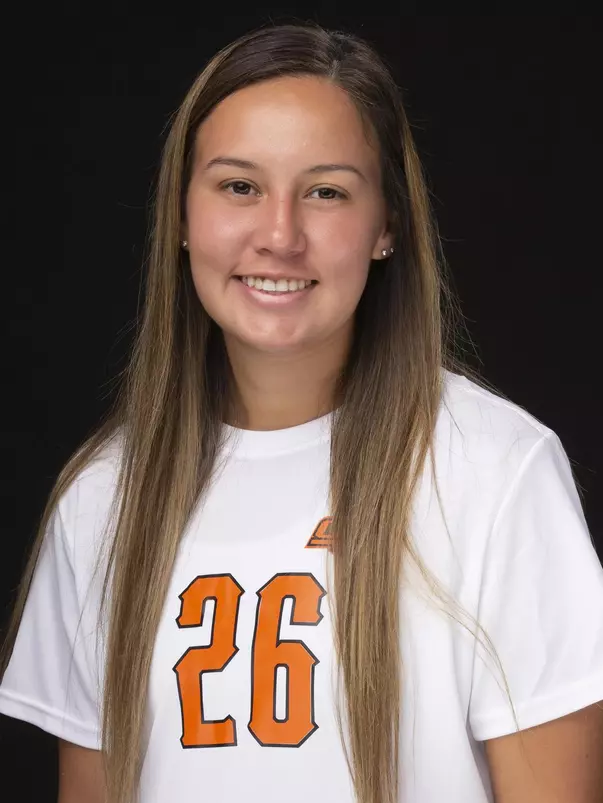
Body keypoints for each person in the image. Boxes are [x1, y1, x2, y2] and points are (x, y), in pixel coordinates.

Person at [1, 21, 602, 803]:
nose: (279, 235)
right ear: (182, 217)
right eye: (238, 186)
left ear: (386, 226)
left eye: (325, 191)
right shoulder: (103, 497)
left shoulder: (495, 471)